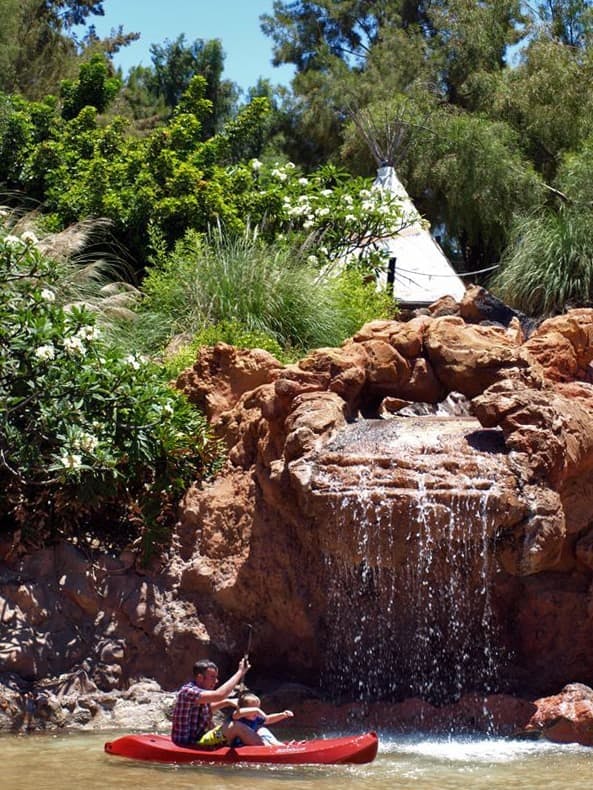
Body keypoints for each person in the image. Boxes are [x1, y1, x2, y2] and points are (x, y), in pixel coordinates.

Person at [171, 656, 263, 748]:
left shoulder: (202, 694)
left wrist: (227, 702)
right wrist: (240, 672)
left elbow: (208, 709)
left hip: (202, 740)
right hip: (189, 744)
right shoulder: (188, 691)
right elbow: (220, 695)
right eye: (212, 677)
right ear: (200, 678)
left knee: (237, 728)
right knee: (236, 726)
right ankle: (264, 751)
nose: (216, 681)